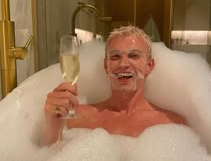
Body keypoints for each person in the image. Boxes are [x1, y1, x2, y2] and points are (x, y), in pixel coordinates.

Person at [44, 26, 186, 145]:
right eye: (115, 57)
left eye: (134, 56)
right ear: (106, 67)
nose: (123, 64)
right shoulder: (76, 118)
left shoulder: (173, 125)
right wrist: (52, 128)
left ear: (149, 66)